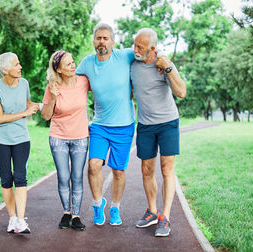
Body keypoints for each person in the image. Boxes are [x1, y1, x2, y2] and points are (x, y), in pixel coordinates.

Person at [75, 23, 136, 226]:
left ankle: (115, 207)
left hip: (124, 125)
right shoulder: (86, 63)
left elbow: (146, 54)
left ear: (113, 41)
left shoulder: (125, 56)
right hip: (100, 125)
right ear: (94, 41)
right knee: (93, 166)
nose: (102, 41)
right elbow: (72, 84)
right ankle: (97, 203)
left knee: (118, 171)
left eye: (106, 38)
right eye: (98, 38)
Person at [131, 28, 186, 237]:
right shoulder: (132, 64)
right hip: (145, 124)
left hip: (168, 123)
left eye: (140, 47)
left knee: (166, 169)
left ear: (152, 49)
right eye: (135, 45)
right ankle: (152, 211)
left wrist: (169, 68)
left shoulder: (164, 63)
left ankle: (165, 216)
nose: (135, 50)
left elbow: (181, 92)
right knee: (146, 169)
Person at [0, 52, 39, 234]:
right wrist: (24, 114)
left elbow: (27, 104)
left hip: (21, 138)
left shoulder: (24, 83)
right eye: (16, 64)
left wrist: (42, 105)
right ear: (5, 70)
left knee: (20, 177)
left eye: (19, 64)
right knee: (6, 178)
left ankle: (20, 220)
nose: (20, 67)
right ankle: (11, 219)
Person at [41, 50, 89, 231]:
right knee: (63, 177)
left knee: (77, 177)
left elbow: (102, 86)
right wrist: (53, 96)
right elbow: (46, 115)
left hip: (80, 137)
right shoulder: (52, 86)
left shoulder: (84, 81)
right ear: (58, 69)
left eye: (73, 62)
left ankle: (76, 216)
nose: (73, 66)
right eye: (68, 64)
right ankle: (66, 212)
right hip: (58, 137)